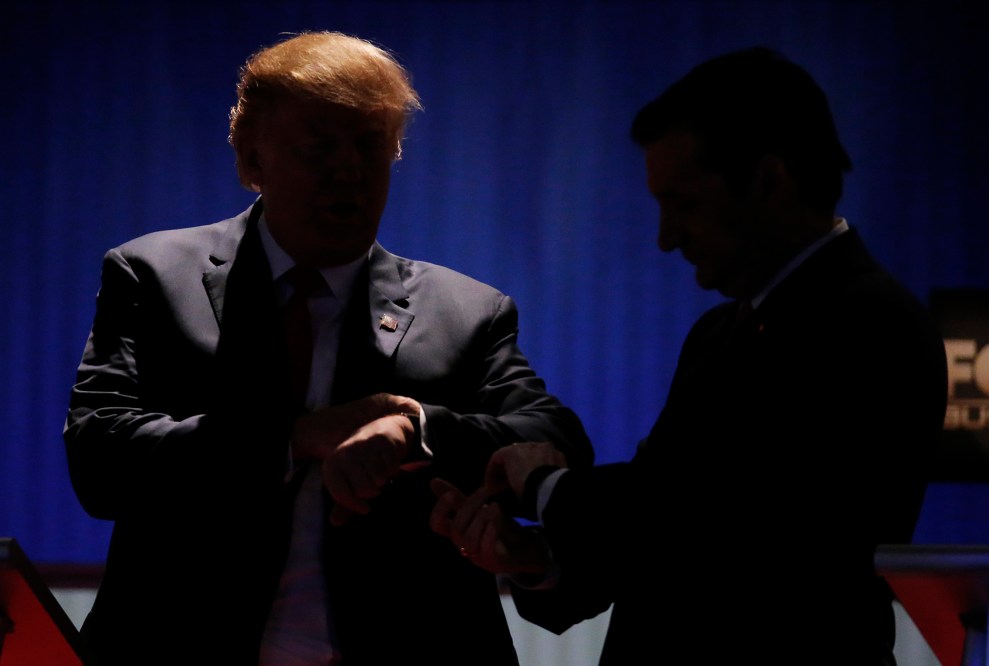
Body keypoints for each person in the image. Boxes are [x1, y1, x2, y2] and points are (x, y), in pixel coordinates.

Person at [63, 30, 592, 666]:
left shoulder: (467, 311)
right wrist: (296, 437)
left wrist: (415, 429)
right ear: (250, 158)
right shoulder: (152, 275)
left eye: (370, 147)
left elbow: (556, 439)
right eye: (319, 147)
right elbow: (99, 461)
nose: (347, 171)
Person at [429, 46, 948, 666]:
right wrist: (535, 561)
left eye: (686, 204)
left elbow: (725, 527)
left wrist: (545, 486)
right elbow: (668, 532)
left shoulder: (871, 324)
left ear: (768, 180)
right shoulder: (719, 332)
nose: (665, 237)